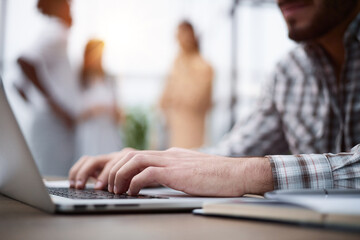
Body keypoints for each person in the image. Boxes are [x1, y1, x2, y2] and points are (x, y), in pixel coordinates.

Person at [69, 0, 360, 196]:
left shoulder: (205, 68)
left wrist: (250, 173)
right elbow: (233, 151)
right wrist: (157, 166)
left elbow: (234, 163)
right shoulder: (288, 72)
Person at [14, 0, 79, 176]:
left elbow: (18, 85)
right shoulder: (57, 31)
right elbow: (24, 61)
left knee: (47, 172)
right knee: (53, 175)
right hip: (53, 123)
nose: (72, 12)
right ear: (59, 6)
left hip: (48, 120)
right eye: (70, 7)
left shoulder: (48, 33)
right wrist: (56, 107)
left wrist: (38, 105)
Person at [159, 21, 213, 149]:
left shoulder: (203, 66)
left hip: (193, 127)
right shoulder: (176, 64)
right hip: (174, 127)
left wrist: (175, 97)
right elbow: (164, 97)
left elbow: (197, 100)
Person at [75, 39, 123, 160]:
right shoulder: (79, 79)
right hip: (89, 134)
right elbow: (75, 112)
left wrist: (115, 112)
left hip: (108, 133)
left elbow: (119, 113)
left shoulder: (109, 78)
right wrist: (94, 110)